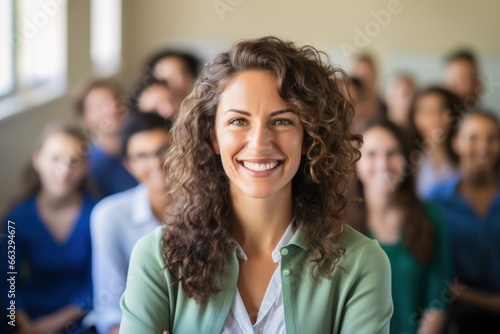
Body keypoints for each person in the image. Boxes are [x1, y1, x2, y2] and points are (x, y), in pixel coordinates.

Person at [119, 36, 393, 334]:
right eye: (239, 121)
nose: (260, 143)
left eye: (282, 121)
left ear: (309, 137)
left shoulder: (361, 262)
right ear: (213, 137)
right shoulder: (158, 257)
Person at [350, 118, 451, 334]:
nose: (383, 164)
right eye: (371, 154)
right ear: (355, 163)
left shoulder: (431, 216)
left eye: (392, 153)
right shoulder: (338, 224)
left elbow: (438, 301)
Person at [1, 123, 97, 333]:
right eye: (55, 159)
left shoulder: (98, 215)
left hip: (83, 316)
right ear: (38, 160)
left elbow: (99, 282)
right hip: (29, 315)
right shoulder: (16, 219)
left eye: (74, 161)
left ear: (86, 166)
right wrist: (25, 324)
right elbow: (7, 279)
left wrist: (53, 324)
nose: (64, 170)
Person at [91, 113, 172, 334]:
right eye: (142, 156)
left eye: (163, 149)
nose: (156, 163)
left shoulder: (210, 206)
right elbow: (110, 313)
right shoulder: (109, 216)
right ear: (129, 165)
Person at [427, 112, 500, 333]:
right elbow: (435, 277)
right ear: (456, 143)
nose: (483, 147)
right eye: (473, 138)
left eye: (492, 138)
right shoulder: (436, 201)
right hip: (454, 321)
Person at [74, 79, 137, 198]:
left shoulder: (146, 147)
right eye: (100, 105)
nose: (112, 109)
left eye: (116, 100)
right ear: (84, 119)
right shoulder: (88, 168)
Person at [409, 87, 462, 199]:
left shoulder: (465, 152)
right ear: (415, 117)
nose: (436, 118)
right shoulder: (408, 158)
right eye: (428, 112)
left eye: (442, 110)